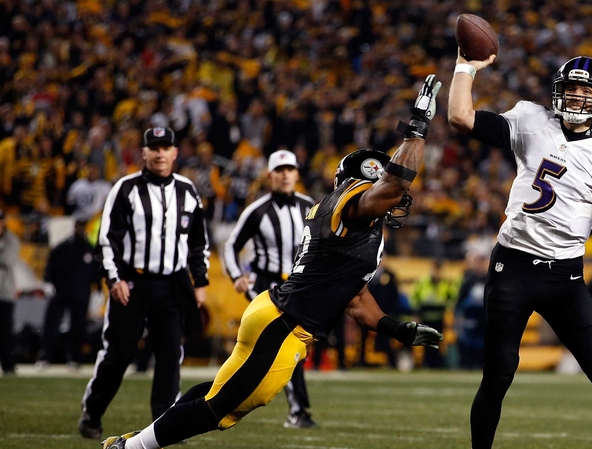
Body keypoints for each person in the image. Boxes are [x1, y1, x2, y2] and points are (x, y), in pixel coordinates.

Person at [100, 75, 444, 449]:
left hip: (274, 313)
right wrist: (419, 125)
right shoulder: (354, 201)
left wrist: (399, 330)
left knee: (218, 392)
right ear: (368, 177)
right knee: (219, 409)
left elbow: (356, 299)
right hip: (283, 325)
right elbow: (394, 185)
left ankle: (137, 439)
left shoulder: (353, 222)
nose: (399, 199)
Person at [449, 53, 592, 449]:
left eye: (585, 90)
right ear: (557, 90)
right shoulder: (531, 120)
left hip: (565, 278)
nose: (575, 96)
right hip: (512, 267)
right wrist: (465, 67)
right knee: (499, 373)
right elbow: (460, 118)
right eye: (570, 88)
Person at [79, 127, 211, 439]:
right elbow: (107, 241)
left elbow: (198, 242)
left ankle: (161, 428)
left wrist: (200, 282)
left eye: (166, 148)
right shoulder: (126, 189)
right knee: (118, 354)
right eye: (155, 148)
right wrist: (115, 279)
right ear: (144, 153)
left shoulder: (187, 190)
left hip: (171, 284)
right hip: (133, 285)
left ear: (176, 153)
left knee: (169, 356)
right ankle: (92, 412)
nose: (160, 153)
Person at [222, 149, 318, 428]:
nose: (285, 175)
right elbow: (231, 245)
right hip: (266, 285)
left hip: (298, 286)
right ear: (270, 176)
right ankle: (298, 410)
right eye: (279, 170)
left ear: (297, 174)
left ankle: (227, 398)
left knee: (279, 348)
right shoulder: (257, 210)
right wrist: (236, 275)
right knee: (282, 344)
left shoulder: (309, 206)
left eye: (290, 170)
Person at [37, 219, 100, 369]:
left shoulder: (90, 249)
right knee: (51, 326)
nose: (81, 229)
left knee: (78, 328)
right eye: (79, 226)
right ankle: (46, 357)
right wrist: (48, 282)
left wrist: (97, 290)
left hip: (80, 295)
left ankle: (75, 358)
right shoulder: (62, 247)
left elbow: (95, 274)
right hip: (61, 293)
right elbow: (50, 267)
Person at [409, 260, 458, 368]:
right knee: (426, 342)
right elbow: (414, 299)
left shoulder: (446, 284)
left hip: (439, 318)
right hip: (425, 317)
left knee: (437, 342)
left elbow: (452, 299)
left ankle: (436, 364)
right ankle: (427, 363)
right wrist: (416, 314)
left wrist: (448, 313)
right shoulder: (422, 282)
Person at [0, 208, 21, 375]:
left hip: (5, 292)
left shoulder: (11, 240)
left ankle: (8, 366)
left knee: (6, 331)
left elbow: (7, 259)